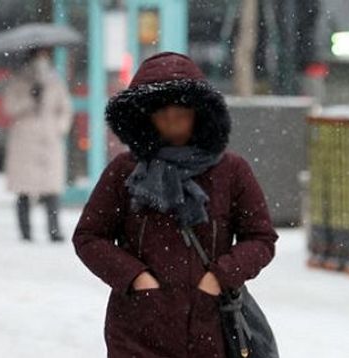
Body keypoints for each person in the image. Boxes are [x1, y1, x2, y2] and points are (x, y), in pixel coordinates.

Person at [72, 52, 278, 357]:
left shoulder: (231, 171)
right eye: (161, 111)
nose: (172, 120)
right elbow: (89, 236)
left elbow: (260, 238)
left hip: (211, 330)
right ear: (144, 117)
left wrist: (218, 278)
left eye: (181, 110)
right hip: (137, 331)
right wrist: (137, 278)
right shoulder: (124, 171)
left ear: (200, 113)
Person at [3, 48, 73, 242]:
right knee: (24, 189)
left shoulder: (55, 81)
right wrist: (29, 99)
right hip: (24, 140)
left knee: (51, 188)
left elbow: (65, 109)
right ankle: (25, 231)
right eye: (38, 56)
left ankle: (54, 230)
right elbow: (9, 107)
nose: (41, 61)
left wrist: (59, 128)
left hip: (49, 139)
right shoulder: (19, 81)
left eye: (45, 56)